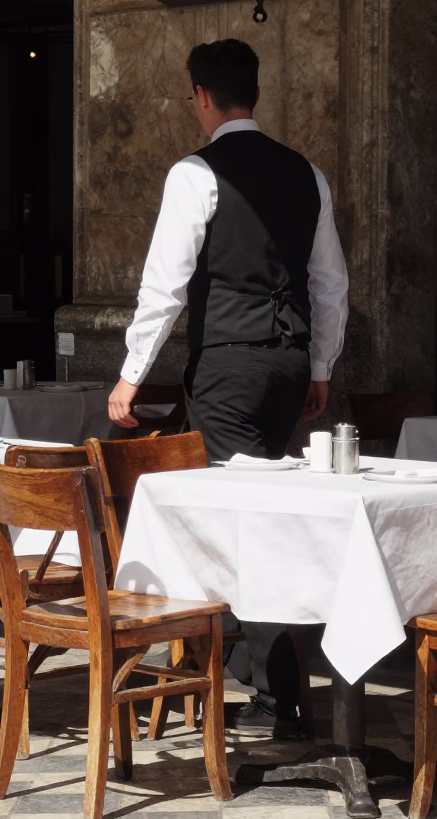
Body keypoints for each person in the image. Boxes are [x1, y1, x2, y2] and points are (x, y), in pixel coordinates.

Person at [107, 39, 349, 735]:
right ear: (256, 95)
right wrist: (322, 366)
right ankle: (270, 683)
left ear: (203, 98)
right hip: (289, 365)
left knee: (249, 531)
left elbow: (166, 285)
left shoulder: (194, 172)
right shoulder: (308, 173)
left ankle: (279, 701)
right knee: (269, 520)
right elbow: (330, 284)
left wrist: (131, 374)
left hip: (230, 369)